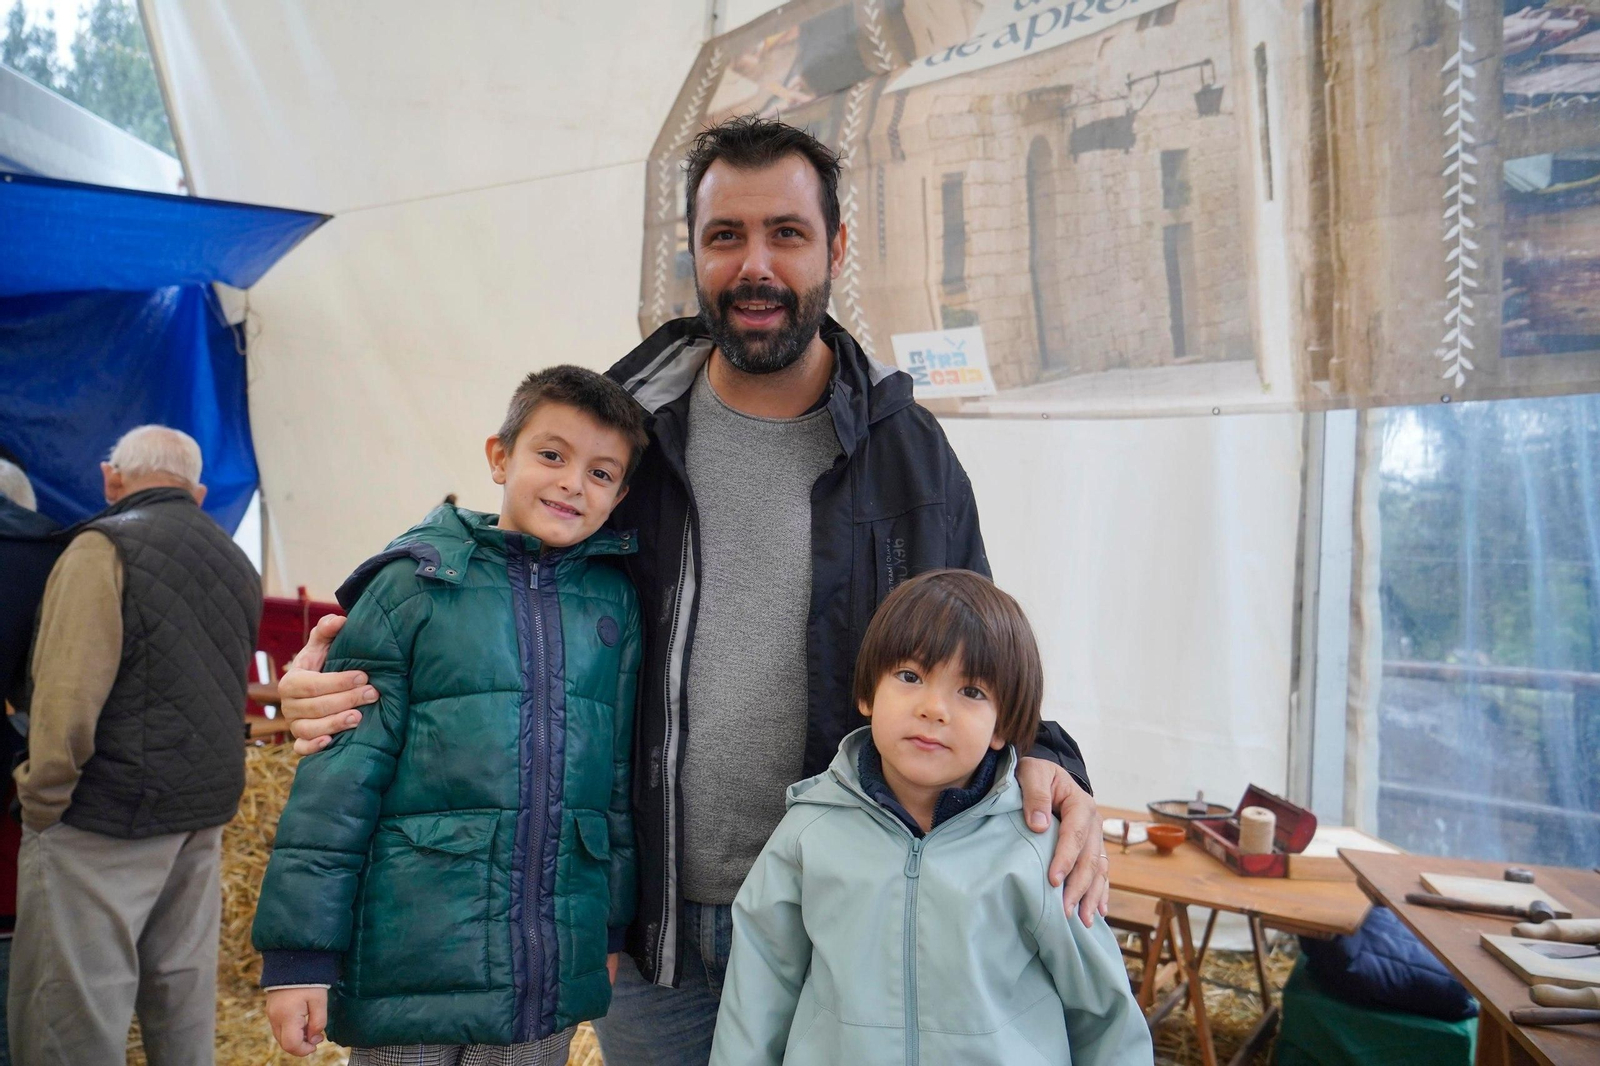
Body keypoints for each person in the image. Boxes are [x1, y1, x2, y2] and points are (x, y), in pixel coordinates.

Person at [275, 116, 1110, 1065]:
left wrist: (1051, 758)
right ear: (695, 253)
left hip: (839, 932)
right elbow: (508, 593)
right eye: (726, 236)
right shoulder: (629, 436)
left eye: (786, 234)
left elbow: (977, 647)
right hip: (651, 941)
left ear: (835, 248)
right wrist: (355, 663)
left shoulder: (906, 454)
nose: (755, 265)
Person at [253, 366, 648, 1064]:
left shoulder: (614, 607)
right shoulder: (411, 587)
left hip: (544, 975)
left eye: (601, 472)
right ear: (499, 456)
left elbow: (612, 789)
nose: (571, 483)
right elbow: (338, 786)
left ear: (620, 494)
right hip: (411, 960)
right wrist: (299, 957)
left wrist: (606, 933)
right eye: (551, 455)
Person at [710, 570, 1152, 1066]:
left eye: (971, 692)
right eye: (910, 677)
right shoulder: (808, 832)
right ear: (867, 695)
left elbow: (1105, 1014)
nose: (934, 708)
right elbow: (757, 994)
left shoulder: (1036, 848)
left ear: (1003, 726)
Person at [9, 425, 262, 1066]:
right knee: (181, 1003)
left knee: (74, 1017)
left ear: (111, 479)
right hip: (200, 814)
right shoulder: (235, 560)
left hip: (104, 820)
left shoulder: (103, 549)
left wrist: (41, 802)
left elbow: (67, 703)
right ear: (199, 492)